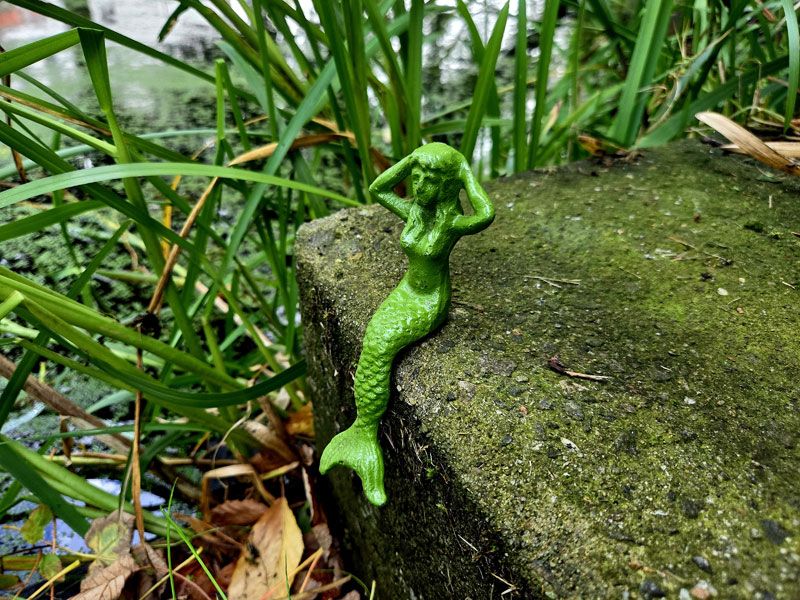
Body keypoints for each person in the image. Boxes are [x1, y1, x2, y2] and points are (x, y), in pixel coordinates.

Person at [319, 143, 495, 506]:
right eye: (417, 177)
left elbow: (486, 212)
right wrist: (413, 160)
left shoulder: (451, 222)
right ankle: (360, 432)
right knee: (373, 340)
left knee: (381, 344)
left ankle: (366, 434)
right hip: (406, 290)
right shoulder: (415, 210)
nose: (420, 185)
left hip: (431, 300)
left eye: (431, 180)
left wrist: (463, 169)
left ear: (448, 185)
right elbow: (378, 188)